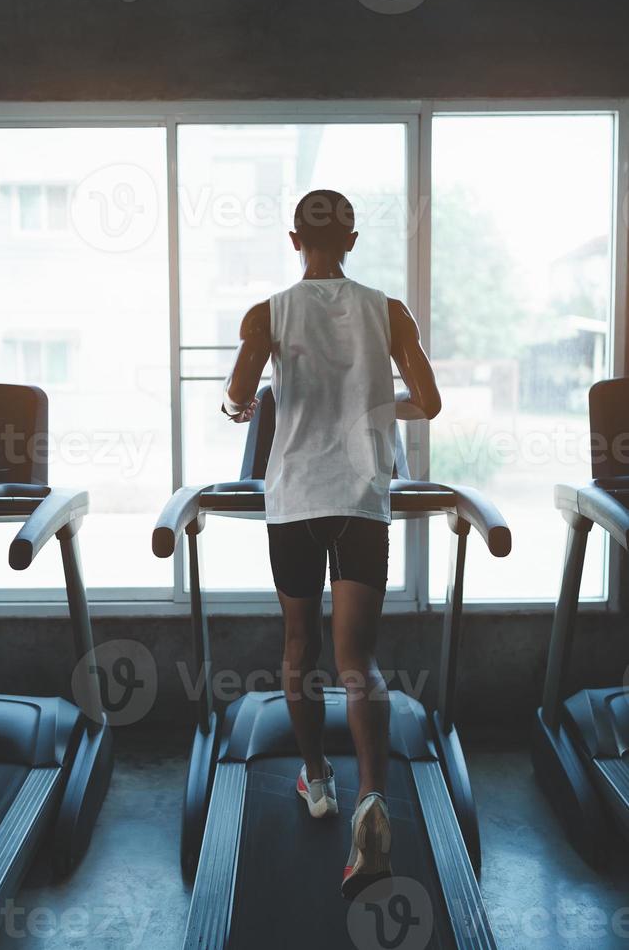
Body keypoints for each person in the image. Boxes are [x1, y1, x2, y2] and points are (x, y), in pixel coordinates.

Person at [221, 189, 441, 899]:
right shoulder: (390, 311)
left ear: (294, 240)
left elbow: (236, 397)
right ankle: (372, 800)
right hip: (361, 500)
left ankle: (318, 782)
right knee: (360, 662)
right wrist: (374, 403)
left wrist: (243, 401)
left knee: (298, 649)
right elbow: (430, 402)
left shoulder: (269, 314)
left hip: (294, 501)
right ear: (351, 238)